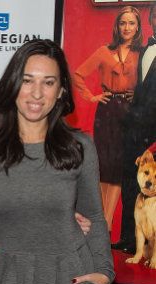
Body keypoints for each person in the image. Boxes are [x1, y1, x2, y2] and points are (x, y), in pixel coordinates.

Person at [0, 39, 114, 284]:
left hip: (70, 280)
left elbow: (95, 216)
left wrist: (103, 272)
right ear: (13, 85)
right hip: (9, 282)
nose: (37, 94)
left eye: (49, 82)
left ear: (61, 92)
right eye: (28, 80)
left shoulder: (79, 147)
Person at [73, 6, 142, 230]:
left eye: (132, 23)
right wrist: (92, 97)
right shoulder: (104, 51)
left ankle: (108, 221)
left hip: (129, 112)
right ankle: (101, 218)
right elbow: (78, 75)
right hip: (108, 110)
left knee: (119, 168)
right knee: (104, 165)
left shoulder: (141, 53)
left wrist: (138, 95)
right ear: (117, 26)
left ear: (138, 27)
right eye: (123, 23)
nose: (127, 27)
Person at [116, 3, 156, 254]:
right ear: (151, 18)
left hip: (154, 132)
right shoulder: (145, 50)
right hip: (135, 129)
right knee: (131, 183)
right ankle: (130, 240)